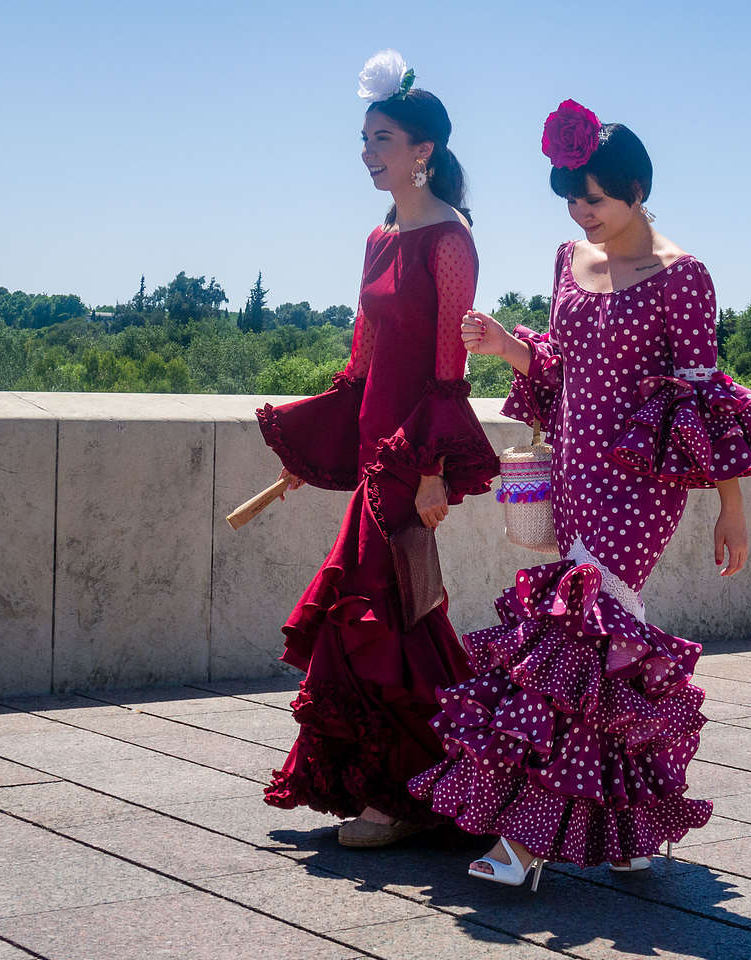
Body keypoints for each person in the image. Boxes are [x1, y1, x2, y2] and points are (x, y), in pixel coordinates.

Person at [407, 100, 751, 888]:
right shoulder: (565, 259)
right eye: (572, 198)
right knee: (603, 645)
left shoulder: (684, 278)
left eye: (597, 199)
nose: (583, 213)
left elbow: (707, 400)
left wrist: (732, 507)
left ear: (638, 189)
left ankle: (525, 841)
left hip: (640, 487)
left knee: (572, 632)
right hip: (576, 469)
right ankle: (629, 826)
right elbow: (558, 366)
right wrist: (504, 344)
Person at [254, 50, 498, 847]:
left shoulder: (450, 240)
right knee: (399, 608)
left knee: (376, 600)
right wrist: (312, 451)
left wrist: (431, 470)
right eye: (364, 138)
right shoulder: (379, 235)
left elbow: (448, 369)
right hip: (368, 447)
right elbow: (360, 361)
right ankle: (446, 777)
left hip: (409, 455)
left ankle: (394, 797)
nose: (367, 152)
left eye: (380, 137)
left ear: (421, 149)